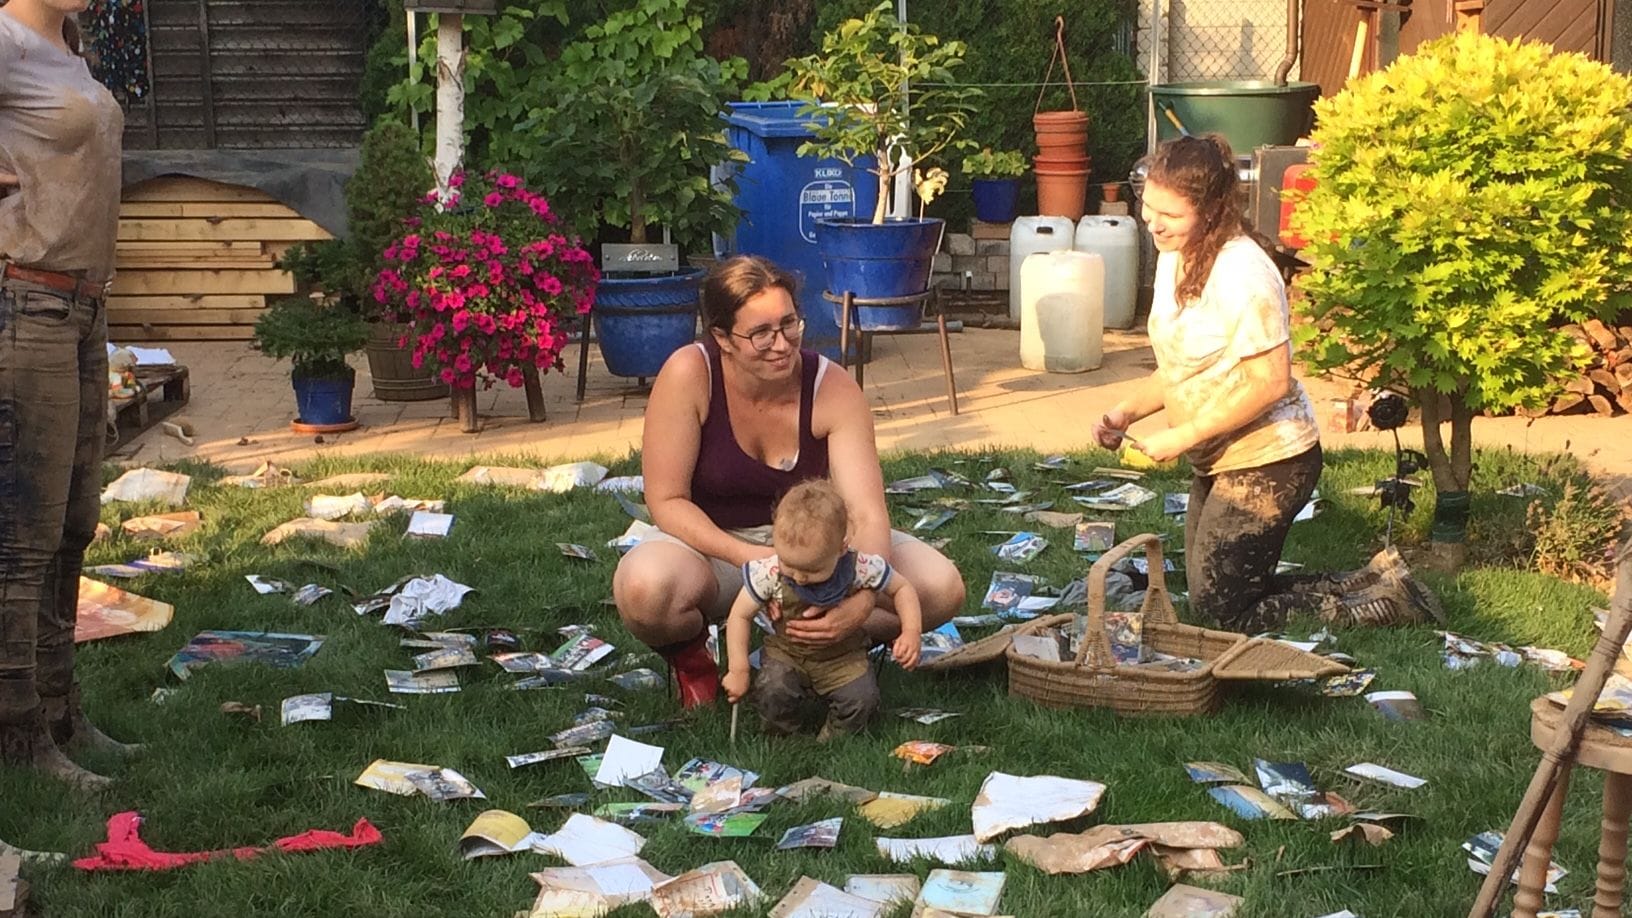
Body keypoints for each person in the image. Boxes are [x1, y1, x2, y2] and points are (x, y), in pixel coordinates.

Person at [1093, 135, 1438, 632]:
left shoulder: (1244, 272)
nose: (1153, 222)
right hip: (1217, 456)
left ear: (1212, 209)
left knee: (1222, 613)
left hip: (1271, 460)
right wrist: (1125, 412)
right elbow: (1182, 366)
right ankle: (1369, 582)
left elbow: (1270, 383)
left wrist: (1183, 435)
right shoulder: (1175, 253)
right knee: (1214, 593)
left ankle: (1385, 607)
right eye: (1149, 206)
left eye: (1169, 213)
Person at [612, 255, 965, 708]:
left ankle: (819, 645)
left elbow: (864, 512)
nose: (781, 344)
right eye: (760, 333)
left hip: (820, 548)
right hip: (716, 545)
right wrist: (759, 562)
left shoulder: (832, 387)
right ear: (722, 337)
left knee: (940, 588)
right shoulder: (689, 373)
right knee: (644, 588)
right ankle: (692, 658)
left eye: (789, 324)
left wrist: (859, 596)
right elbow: (667, 500)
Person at [1, 0, 139, 801]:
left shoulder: (68, 46)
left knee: (74, 522)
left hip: (83, 308)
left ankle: (60, 711)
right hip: (24, 304)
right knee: (21, 540)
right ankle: (16, 732)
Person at [722, 479, 921, 738]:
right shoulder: (769, 572)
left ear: (841, 548)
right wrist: (738, 669)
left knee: (862, 700)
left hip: (842, 657)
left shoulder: (860, 566)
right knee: (772, 690)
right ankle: (782, 738)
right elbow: (739, 615)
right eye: (789, 565)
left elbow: (902, 589)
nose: (799, 577)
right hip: (788, 653)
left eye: (812, 570)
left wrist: (911, 631)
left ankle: (832, 739)